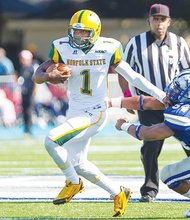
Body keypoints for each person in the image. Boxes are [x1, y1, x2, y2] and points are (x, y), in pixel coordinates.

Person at [32, 9, 167, 217]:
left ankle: (73, 183)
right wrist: (49, 75)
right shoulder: (61, 46)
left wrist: (160, 93)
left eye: (83, 33)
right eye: (75, 32)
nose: (78, 37)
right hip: (75, 111)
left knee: (51, 141)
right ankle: (118, 192)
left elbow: (134, 77)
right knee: (78, 164)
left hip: (95, 111)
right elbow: (36, 75)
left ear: (95, 32)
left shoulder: (108, 48)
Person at [118, 3, 190, 202]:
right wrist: (127, 98)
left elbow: (187, 73)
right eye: (155, 19)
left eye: (162, 20)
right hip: (149, 104)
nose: (159, 23)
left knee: (189, 145)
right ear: (149, 21)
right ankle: (149, 189)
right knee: (150, 145)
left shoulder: (179, 43)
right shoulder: (135, 43)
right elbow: (124, 73)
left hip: (177, 105)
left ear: (169, 22)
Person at [113, 69, 190, 217]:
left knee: (169, 175)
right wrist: (114, 102)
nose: (173, 89)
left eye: (178, 88)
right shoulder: (181, 106)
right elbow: (147, 103)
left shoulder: (182, 114)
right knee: (171, 172)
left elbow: (148, 134)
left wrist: (123, 126)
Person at [17, 50, 39, 135]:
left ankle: (29, 129)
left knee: (29, 110)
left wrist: (34, 90)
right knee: (24, 109)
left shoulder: (32, 67)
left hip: (30, 92)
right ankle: (26, 128)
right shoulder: (23, 68)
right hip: (24, 91)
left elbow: (35, 80)